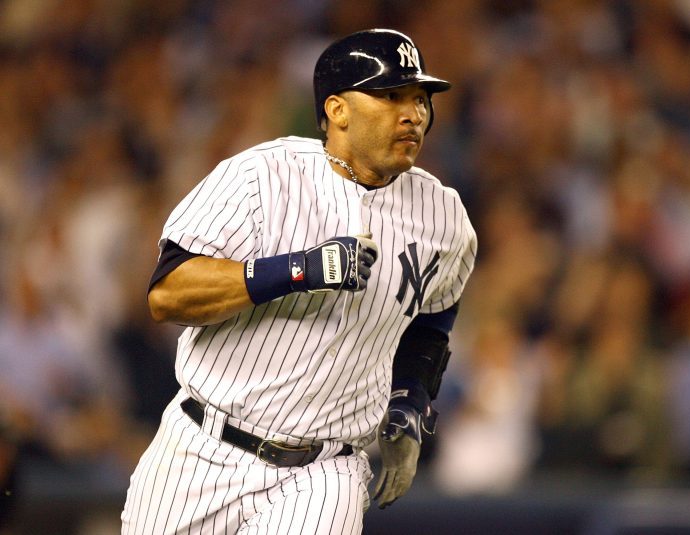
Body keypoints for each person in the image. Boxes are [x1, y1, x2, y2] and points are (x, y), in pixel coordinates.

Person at [121, 28, 477, 534]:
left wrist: (410, 399)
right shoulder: (261, 176)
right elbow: (169, 294)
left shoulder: (444, 216)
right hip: (202, 446)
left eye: (420, 99)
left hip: (325, 471)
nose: (413, 114)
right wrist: (296, 270)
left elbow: (435, 312)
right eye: (391, 95)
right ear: (337, 110)